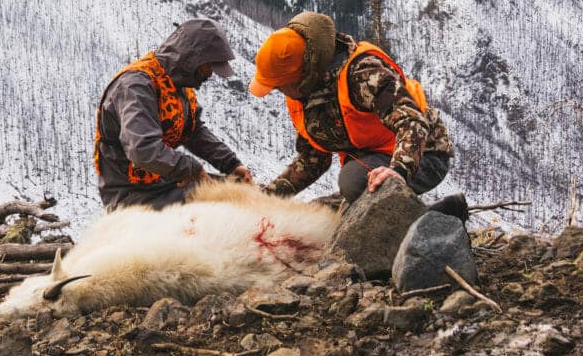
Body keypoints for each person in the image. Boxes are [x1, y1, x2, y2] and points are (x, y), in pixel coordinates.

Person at [250, 12, 462, 214]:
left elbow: (412, 122)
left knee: (353, 181)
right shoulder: (302, 94)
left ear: (304, 74)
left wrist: (398, 171)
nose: (278, 91)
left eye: (280, 85)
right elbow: (313, 159)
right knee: (322, 210)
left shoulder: (362, 74)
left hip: (424, 154)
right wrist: (264, 198)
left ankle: (435, 217)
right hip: (374, 163)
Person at [94, 18, 255, 210]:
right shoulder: (136, 86)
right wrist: (190, 169)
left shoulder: (177, 85)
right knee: (223, 206)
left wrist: (231, 164)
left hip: (166, 181)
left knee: (240, 194)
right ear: (194, 59)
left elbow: (193, 132)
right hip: (134, 193)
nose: (210, 74)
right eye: (209, 67)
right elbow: (142, 149)